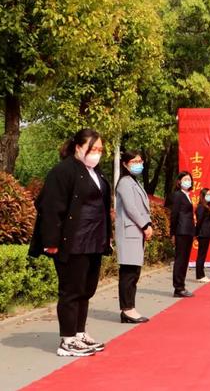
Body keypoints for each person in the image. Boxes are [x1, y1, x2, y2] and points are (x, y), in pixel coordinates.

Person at [29, 129, 111, 357]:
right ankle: (67, 340)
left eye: (100, 150)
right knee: (71, 291)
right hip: (72, 241)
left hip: (94, 240)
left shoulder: (96, 172)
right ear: (78, 147)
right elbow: (50, 207)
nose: (96, 154)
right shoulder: (63, 171)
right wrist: (51, 241)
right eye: (92, 149)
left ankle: (79, 332)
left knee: (86, 289)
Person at [115, 150, 152, 324]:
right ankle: (127, 309)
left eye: (140, 160)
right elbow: (130, 207)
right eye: (134, 161)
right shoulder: (124, 182)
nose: (138, 164)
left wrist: (147, 224)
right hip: (130, 231)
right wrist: (145, 224)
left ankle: (130, 307)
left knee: (134, 273)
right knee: (129, 273)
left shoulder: (134, 182)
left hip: (136, 232)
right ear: (125, 164)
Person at [170, 172, 195, 298]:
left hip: (188, 231)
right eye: (185, 179)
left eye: (189, 179)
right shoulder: (178, 195)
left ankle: (182, 285)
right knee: (180, 259)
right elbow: (174, 215)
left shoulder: (187, 195)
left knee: (185, 260)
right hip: (181, 231)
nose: (188, 181)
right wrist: (172, 233)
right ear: (179, 181)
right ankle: (178, 288)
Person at [195, 188, 210, 283]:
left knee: (203, 255)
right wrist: (197, 234)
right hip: (202, 234)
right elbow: (199, 222)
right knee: (201, 255)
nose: (209, 196)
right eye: (207, 194)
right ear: (202, 196)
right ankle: (200, 275)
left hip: (206, 234)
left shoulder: (207, 207)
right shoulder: (201, 207)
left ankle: (201, 274)